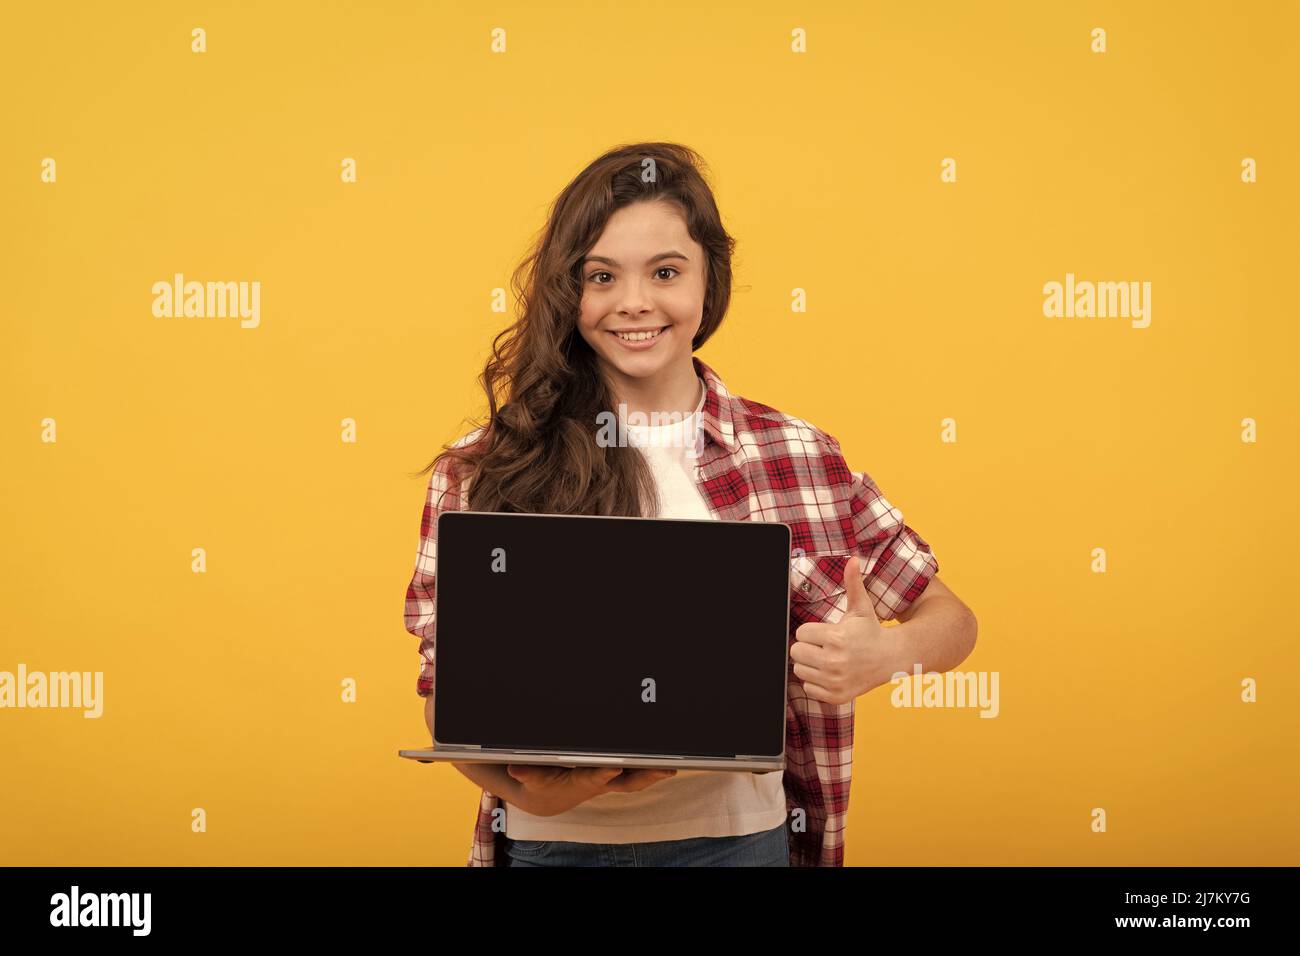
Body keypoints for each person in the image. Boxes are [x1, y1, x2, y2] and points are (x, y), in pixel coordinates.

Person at [403, 142, 978, 867]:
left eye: (666, 272)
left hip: (742, 843)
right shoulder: (489, 462)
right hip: (553, 846)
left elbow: (954, 621)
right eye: (601, 276)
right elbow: (445, 694)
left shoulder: (797, 453)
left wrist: (888, 653)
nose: (635, 303)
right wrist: (534, 793)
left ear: (710, 282)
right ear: (566, 291)